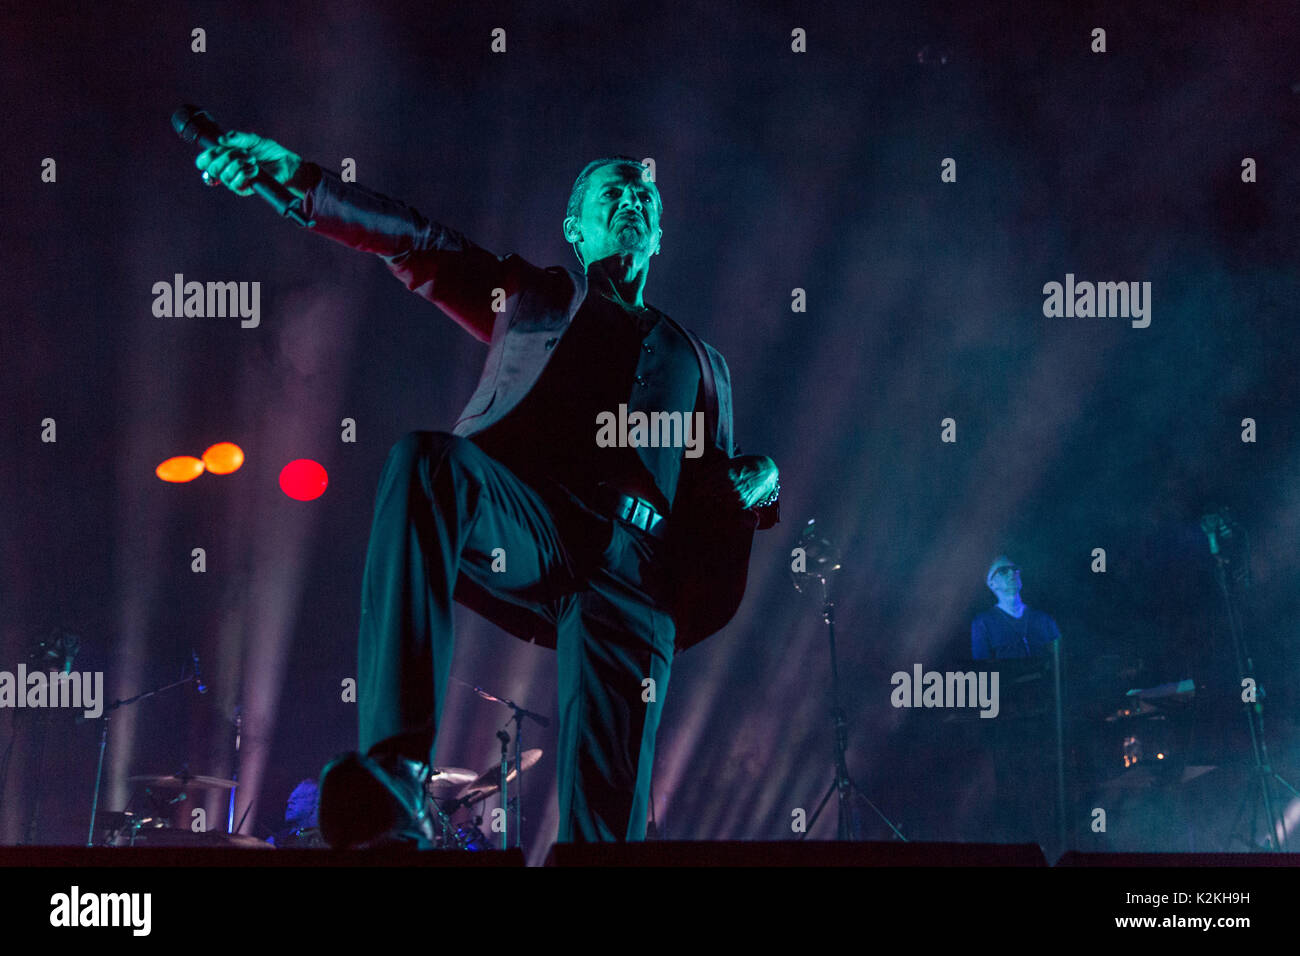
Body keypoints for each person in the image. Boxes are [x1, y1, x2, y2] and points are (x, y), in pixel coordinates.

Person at [194, 136, 780, 847]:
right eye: (613, 195)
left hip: (638, 570)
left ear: (658, 230)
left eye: (644, 197)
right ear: (577, 227)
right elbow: (421, 244)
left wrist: (761, 478)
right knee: (427, 463)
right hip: (536, 523)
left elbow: (710, 477)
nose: (632, 203)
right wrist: (303, 187)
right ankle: (397, 772)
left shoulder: (703, 362)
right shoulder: (535, 299)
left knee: (608, 818)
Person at [970, 556, 1061, 660]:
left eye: (1015, 569)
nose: (1012, 573)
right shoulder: (983, 622)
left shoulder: (1043, 619)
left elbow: (1059, 659)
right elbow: (983, 667)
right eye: (1003, 571)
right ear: (991, 583)